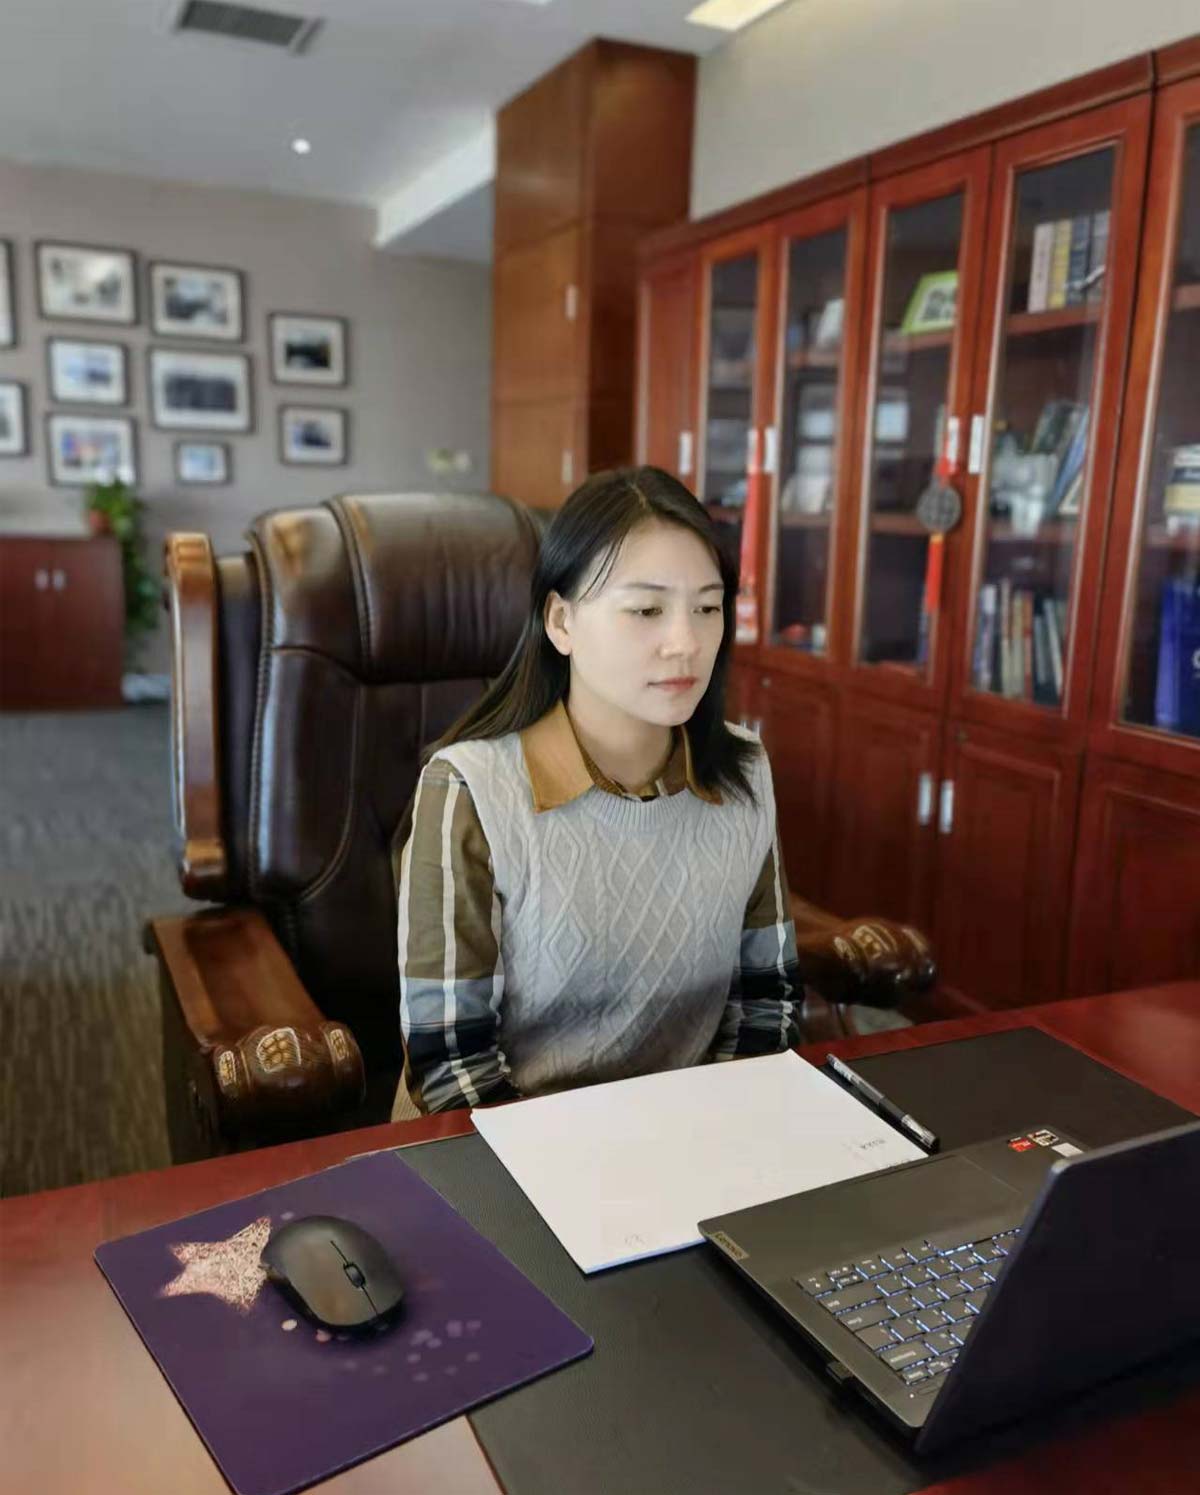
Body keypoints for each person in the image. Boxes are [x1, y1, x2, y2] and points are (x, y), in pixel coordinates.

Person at [394, 466, 930, 1115]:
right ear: (561, 622)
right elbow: (451, 1070)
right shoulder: (470, 789)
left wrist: (720, 1138)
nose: (686, 643)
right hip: (509, 1147)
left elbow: (766, 1006)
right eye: (647, 610)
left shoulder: (744, 771)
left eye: (707, 608)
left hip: (696, 1134)